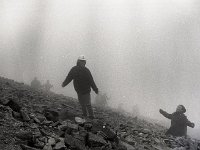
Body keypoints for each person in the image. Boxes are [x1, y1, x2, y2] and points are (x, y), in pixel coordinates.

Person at [62, 55, 98, 119]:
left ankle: (91, 116)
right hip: (79, 91)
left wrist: (95, 89)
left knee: (87, 104)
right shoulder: (74, 69)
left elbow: (91, 81)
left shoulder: (86, 70)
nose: (83, 63)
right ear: (78, 62)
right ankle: (85, 115)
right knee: (82, 104)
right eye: (81, 61)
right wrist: (64, 84)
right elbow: (69, 78)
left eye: (83, 62)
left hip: (86, 91)